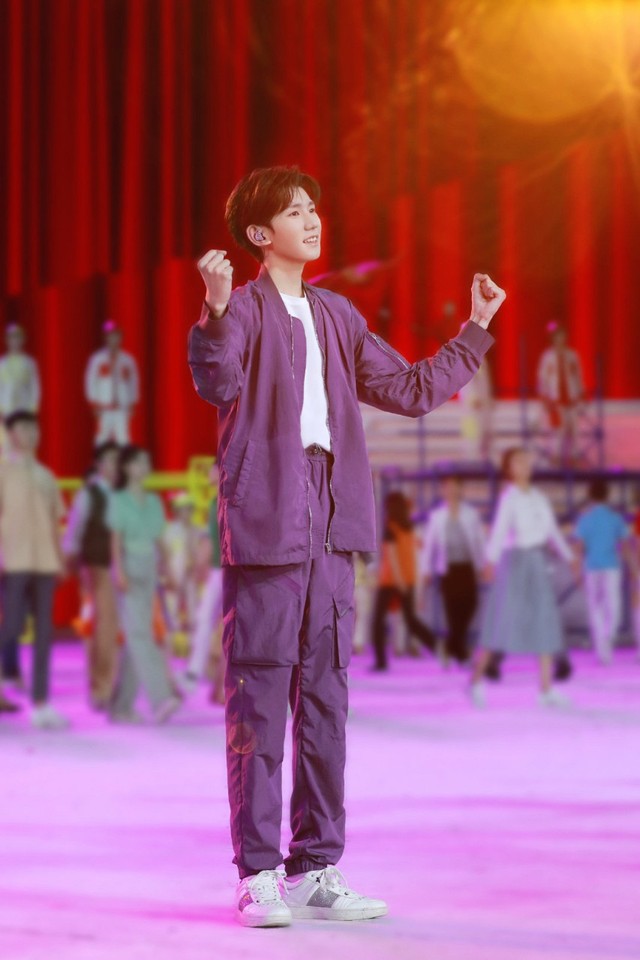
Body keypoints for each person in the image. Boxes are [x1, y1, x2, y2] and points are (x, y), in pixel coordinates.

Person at [188, 165, 505, 928]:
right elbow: (216, 383)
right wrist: (216, 311)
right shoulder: (245, 311)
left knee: (326, 703)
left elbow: (411, 391)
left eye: (314, 209)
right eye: (295, 212)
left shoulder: (337, 315)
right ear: (260, 233)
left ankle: (315, 866)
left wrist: (476, 328)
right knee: (261, 705)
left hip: (332, 529)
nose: (312, 220)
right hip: (268, 525)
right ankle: (258, 872)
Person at [470, 447, 577, 708]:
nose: (525, 465)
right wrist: (490, 560)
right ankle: (476, 681)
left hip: (538, 561)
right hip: (515, 562)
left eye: (525, 460)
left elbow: (552, 530)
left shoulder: (539, 497)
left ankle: (546, 689)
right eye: (518, 461)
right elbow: (499, 531)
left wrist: (569, 556)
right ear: (510, 469)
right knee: (501, 621)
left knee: (546, 620)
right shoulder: (509, 498)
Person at [0, 411, 67, 728]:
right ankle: (7, 680)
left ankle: (41, 703)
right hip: (13, 560)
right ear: (11, 433)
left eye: (33, 427)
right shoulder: (3, 471)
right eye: (23, 427)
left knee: (43, 634)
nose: (30, 432)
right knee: (11, 626)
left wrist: (60, 558)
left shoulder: (45, 476)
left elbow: (55, 521)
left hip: (45, 561)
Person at [108, 445, 181, 724]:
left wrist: (169, 569)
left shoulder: (153, 501)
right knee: (140, 634)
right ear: (127, 467)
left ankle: (121, 707)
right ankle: (160, 698)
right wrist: (118, 571)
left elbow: (160, 539)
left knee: (135, 636)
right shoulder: (118, 500)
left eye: (146, 462)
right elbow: (115, 540)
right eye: (139, 462)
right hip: (128, 564)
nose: (144, 467)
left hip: (149, 566)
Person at [63, 442, 120, 709]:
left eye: (118, 460)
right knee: (105, 625)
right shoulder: (89, 494)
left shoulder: (123, 494)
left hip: (123, 568)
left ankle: (110, 683)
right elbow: (74, 532)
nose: (115, 466)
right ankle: (101, 688)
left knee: (113, 628)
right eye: (110, 460)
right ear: (99, 464)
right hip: (97, 565)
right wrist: (71, 563)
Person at [421, 474, 485, 665]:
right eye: (447, 487)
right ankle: (459, 651)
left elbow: (480, 541)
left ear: (460, 489)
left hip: (467, 567)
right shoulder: (437, 517)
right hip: (448, 570)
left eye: (455, 486)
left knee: (471, 605)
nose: (451, 490)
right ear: (443, 491)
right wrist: (426, 569)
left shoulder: (470, 514)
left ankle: (451, 645)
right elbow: (429, 546)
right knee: (453, 610)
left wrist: (484, 564)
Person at [370, 491, 435, 670]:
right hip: (408, 579)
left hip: (390, 581)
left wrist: (399, 582)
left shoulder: (390, 528)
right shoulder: (409, 527)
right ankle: (438, 646)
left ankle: (381, 662)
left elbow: (392, 558)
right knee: (411, 621)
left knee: (378, 621)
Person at [574, 479, 628, 665]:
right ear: (608, 495)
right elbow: (625, 546)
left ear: (590, 496)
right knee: (613, 607)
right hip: (611, 566)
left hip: (591, 567)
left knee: (595, 608)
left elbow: (579, 548)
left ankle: (601, 648)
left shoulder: (585, 519)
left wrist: (577, 570)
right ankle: (608, 637)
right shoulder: (616, 518)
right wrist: (635, 568)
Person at [85, 320, 139, 444]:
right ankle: (101, 457)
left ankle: (124, 457)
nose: (113, 339)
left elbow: (133, 382)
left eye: (116, 336)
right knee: (102, 437)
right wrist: (93, 402)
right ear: (106, 338)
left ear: (120, 338)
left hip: (122, 405)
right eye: (110, 336)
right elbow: (90, 380)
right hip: (104, 406)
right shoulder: (97, 359)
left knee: (123, 438)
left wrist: (132, 402)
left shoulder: (128, 360)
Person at [537, 323, 584, 466]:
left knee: (574, 430)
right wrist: (545, 397)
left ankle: (574, 458)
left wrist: (580, 394)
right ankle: (555, 457)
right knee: (558, 430)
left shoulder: (572, 355)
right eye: (558, 337)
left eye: (563, 337)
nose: (560, 340)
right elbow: (543, 378)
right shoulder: (548, 357)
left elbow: (577, 376)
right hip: (556, 399)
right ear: (553, 339)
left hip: (571, 398)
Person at [0, 324, 41, 420]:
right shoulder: (2, 363)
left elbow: (35, 386)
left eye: (17, 338)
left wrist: (33, 407)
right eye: (12, 338)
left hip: (24, 407)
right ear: (7, 340)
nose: (15, 341)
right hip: (6, 408)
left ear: (23, 340)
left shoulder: (29, 363)